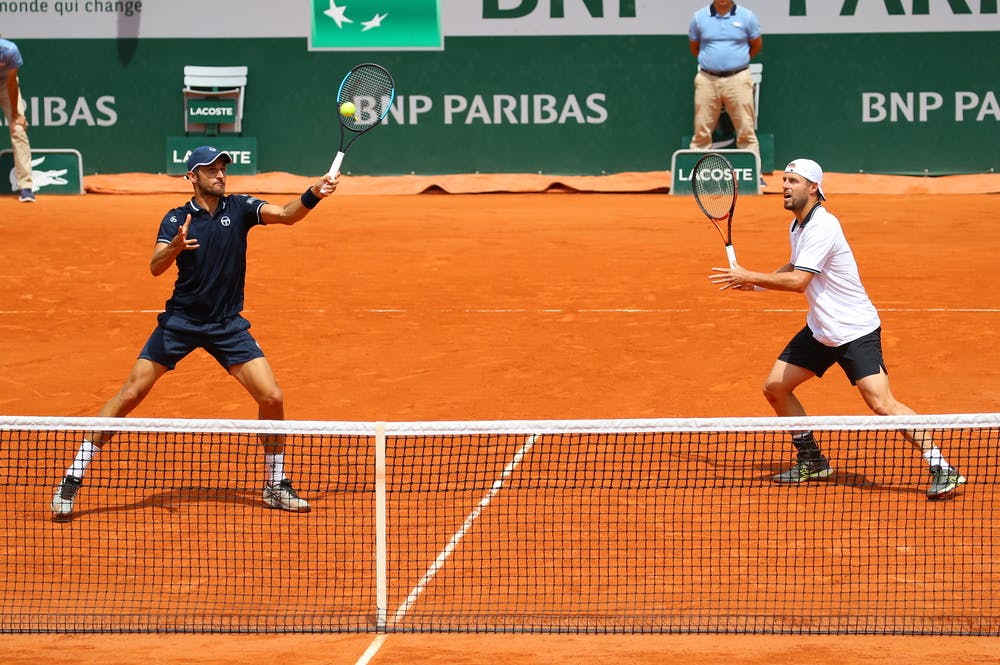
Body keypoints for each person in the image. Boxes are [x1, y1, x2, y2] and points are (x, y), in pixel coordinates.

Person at [50, 146, 338, 517]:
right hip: (181, 323)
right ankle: (73, 477)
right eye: (210, 169)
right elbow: (155, 267)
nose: (220, 174)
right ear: (192, 176)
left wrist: (313, 194)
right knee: (130, 393)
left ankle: (275, 483)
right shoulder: (175, 219)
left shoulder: (241, 208)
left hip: (226, 325)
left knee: (272, 397)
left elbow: (285, 215)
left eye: (222, 168)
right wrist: (172, 248)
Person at [708, 158, 966, 500]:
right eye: (784, 180)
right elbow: (795, 263)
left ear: (813, 188)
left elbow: (800, 281)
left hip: (854, 330)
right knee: (775, 388)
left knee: (881, 403)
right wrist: (755, 284)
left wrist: (751, 276)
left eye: (793, 181)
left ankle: (941, 466)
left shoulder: (823, 227)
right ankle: (812, 459)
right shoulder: (798, 226)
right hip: (821, 329)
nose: (784, 186)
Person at [688, 1, 762, 169]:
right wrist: (712, 63)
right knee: (701, 130)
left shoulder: (747, 17)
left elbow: (756, 45)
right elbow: (695, 47)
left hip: (738, 78)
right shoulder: (699, 18)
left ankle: (753, 173)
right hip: (707, 79)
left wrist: (735, 63)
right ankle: (695, 175)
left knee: (746, 129)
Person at [0, 36, 35, 202]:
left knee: (18, 129)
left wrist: (16, 115)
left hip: (6, 85)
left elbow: (12, 83)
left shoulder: (9, 50)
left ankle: (26, 187)